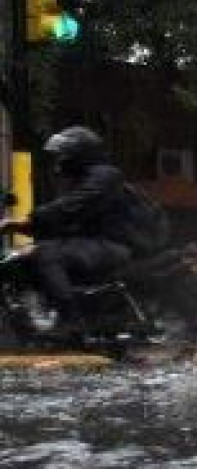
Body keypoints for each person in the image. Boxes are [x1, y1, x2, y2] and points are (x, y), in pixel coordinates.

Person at [0, 127, 154, 335]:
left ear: (80, 155)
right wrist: (18, 226)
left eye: (64, 155)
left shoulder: (105, 175)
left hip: (113, 244)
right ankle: (38, 314)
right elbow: (64, 218)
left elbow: (73, 206)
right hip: (92, 244)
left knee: (45, 254)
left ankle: (70, 319)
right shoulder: (80, 180)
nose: (60, 161)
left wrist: (26, 220)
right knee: (23, 256)